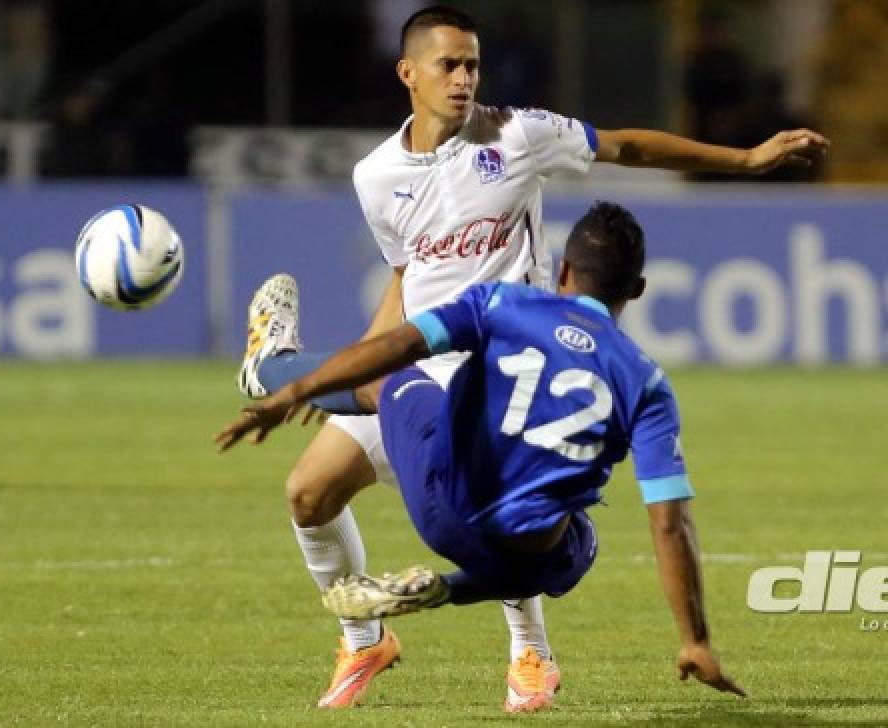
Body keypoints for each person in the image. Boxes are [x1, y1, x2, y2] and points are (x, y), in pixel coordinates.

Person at [234, 5, 825, 711]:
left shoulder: (517, 134)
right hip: (420, 365)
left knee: (505, 505)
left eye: (472, 65)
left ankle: (531, 654)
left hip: (503, 375)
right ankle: (365, 644)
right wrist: (360, 364)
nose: (463, 79)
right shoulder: (376, 176)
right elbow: (407, 278)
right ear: (408, 73)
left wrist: (746, 159)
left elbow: (627, 148)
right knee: (308, 493)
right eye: (448, 65)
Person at [218, 202, 746, 706]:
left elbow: (400, 344)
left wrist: (298, 390)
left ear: (563, 272)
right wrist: (695, 640)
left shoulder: (502, 305)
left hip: (441, 505)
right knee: (570, 538)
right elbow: (671, 525)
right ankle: (449, 592)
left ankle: (269, 368)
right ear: (638, 289)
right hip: (527, 558)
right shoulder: (647, 383)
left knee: (388, 380)